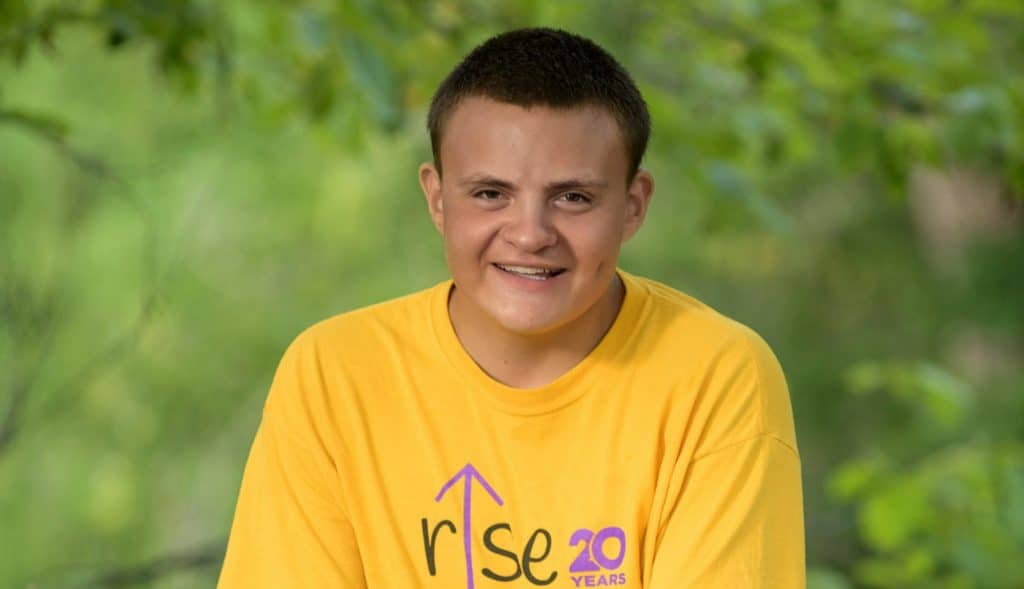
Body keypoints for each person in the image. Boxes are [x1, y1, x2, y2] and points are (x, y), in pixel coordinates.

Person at [217, 27, 804, 588]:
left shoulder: (717, 376)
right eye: (490, 194)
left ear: (632, 205)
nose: (529, 234)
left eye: (572, 197)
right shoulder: (334, 374)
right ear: (437, 198)